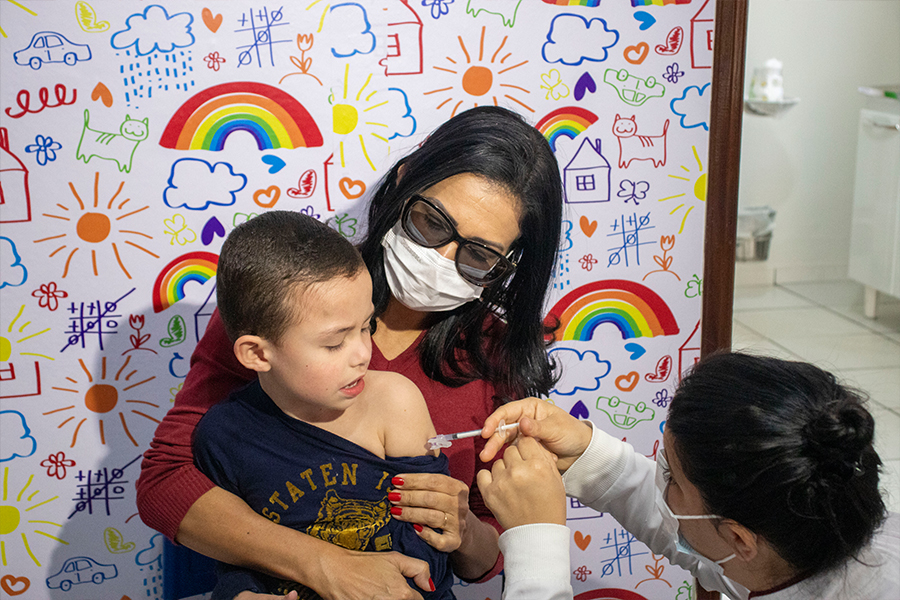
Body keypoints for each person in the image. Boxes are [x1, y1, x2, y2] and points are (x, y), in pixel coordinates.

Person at [136, 106, 564, 600]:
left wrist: (464, 528)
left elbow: (490, 554)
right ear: (405, 182)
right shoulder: (286, 299)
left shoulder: (494, 356)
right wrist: (323, 566)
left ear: (509, 263)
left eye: (479, 255)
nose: (440, 259)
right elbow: (166, 482)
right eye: (432, 221)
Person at [476, 352, 899, 600]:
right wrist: (591, 452)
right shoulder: (806, 544)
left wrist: (537, 544)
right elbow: (707, 549)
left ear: (739, 539)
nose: (661, 485)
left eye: (672, 479)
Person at [193, 211, 454, 599]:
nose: (363, 353)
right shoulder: (221, 435)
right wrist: (240, 593)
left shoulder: (394, 401)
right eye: (334, 343)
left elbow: (430, 535)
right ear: (256, 354)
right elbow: (236, 553)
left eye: (367, 326)